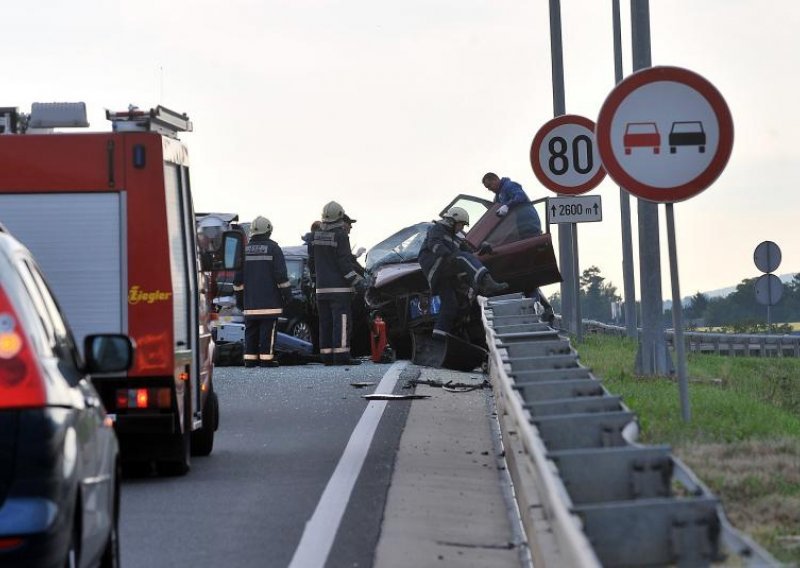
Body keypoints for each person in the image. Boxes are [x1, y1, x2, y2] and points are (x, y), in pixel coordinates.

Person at [418, 206, 509, 337]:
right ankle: (487, 282)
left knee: (450, 306)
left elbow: (470, 254)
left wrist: (483, 250)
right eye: (461, 224)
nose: (462, 228)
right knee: (461, 257)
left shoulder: (456, 237)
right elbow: (435, 244)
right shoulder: (437, 229)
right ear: (452, 220)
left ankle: (439, 337)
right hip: (436, 265)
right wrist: (450, 256)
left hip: (444, 275)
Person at [481, 172, 556, 325]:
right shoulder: (499, 196)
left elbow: (520, 197)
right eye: (487, 187)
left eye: (489, 185)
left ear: (496, 179)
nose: (489, 189)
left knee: (527, 275)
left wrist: (507, 206)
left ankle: (535, 309)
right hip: (518, 231)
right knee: (524, 276)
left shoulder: (509, 186)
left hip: (528, 227)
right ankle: (543, 308)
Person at [308, 201, 365, 366]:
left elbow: (311, 263)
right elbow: (345, 264)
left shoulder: (314, 236)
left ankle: (326, 356)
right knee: (341, 322)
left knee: (325, 322)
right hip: (339, 290)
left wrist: (315, 282)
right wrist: (358, 282)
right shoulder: (340, 236)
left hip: (321, 290)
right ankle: (341, 356)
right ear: (340, 216)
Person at [233, 216, 292, 368]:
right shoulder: (274, 249)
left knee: (250, 330)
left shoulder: (244, 251)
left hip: (250, 303)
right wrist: (287, 296)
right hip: (270, 303)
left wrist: (240, 300)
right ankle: (266, 359)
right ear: (269, 231)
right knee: (268, 330)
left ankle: (250, 359)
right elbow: (281, 277)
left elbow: (238, 280)